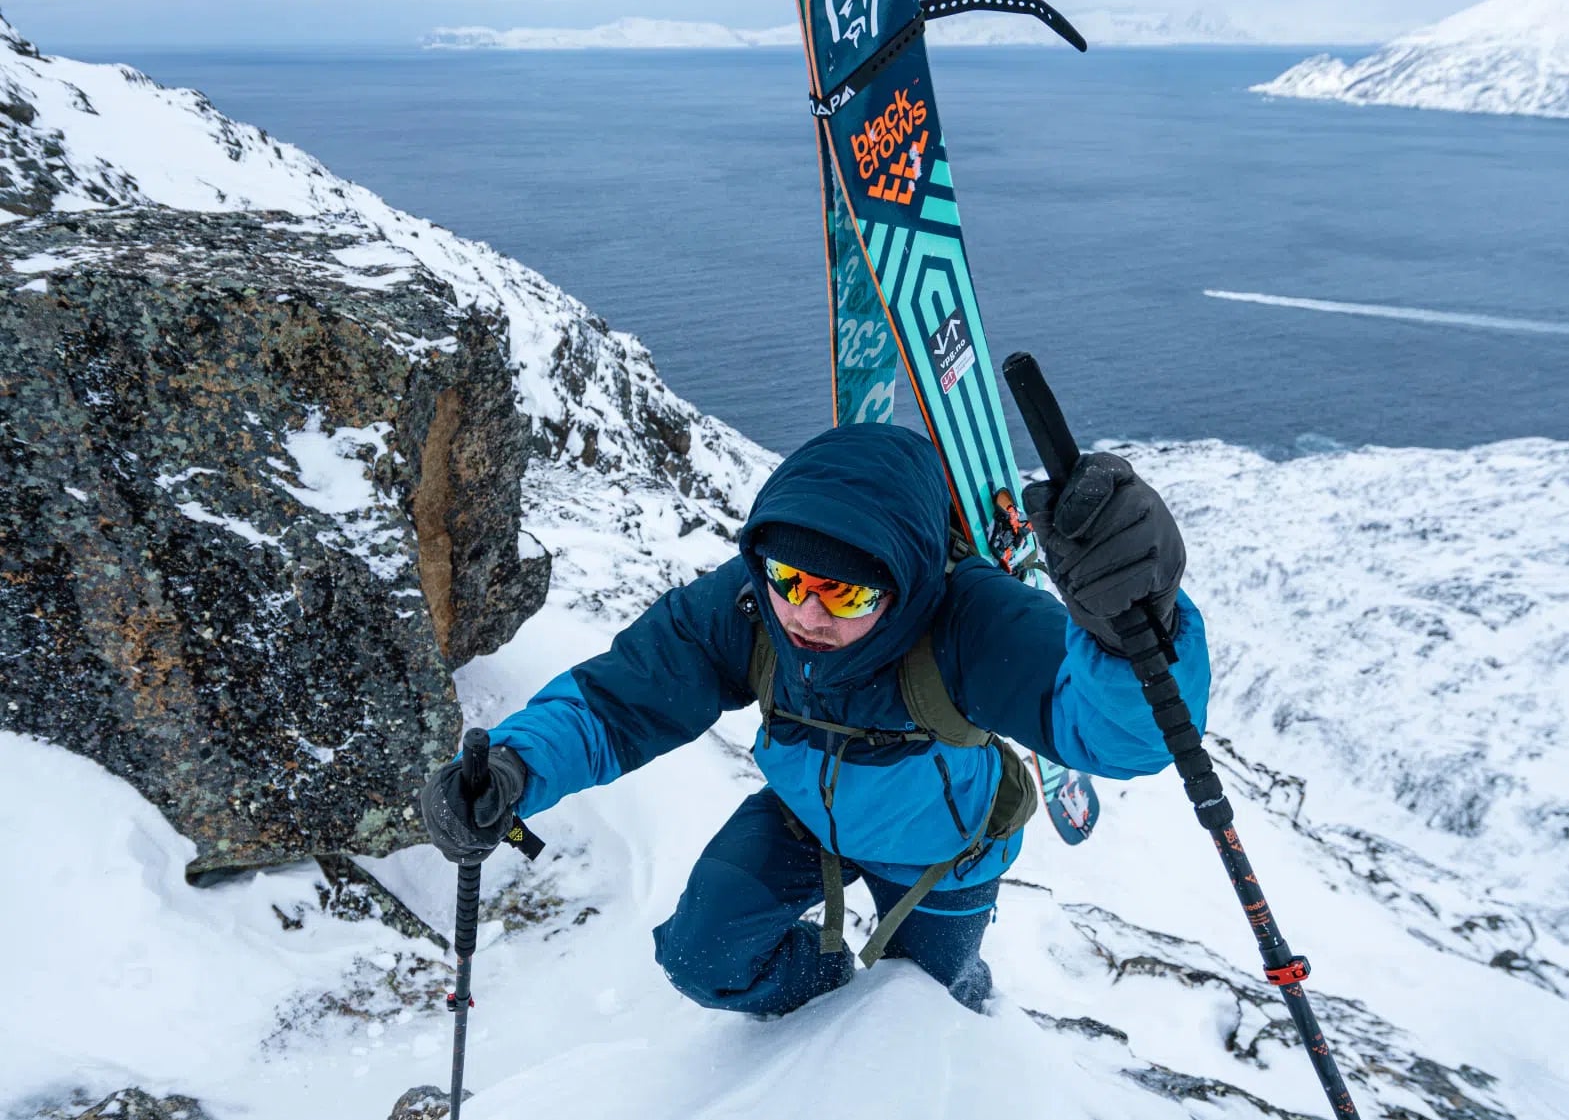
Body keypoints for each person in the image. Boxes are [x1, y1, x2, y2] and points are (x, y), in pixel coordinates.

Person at [420, 423, 1209, 1015]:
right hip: (804, 819)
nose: (804, 612)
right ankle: (834, 1005)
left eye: (847, 594)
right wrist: (517, 770)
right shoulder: (746, 602)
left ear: (903, 583)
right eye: (789, 577)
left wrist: (1133, 629)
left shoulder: (969, 620)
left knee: (932, 1007)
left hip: (943, 849)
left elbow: (1120, 734)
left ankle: (963, 1025)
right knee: (702, 957)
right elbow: (617, 700)